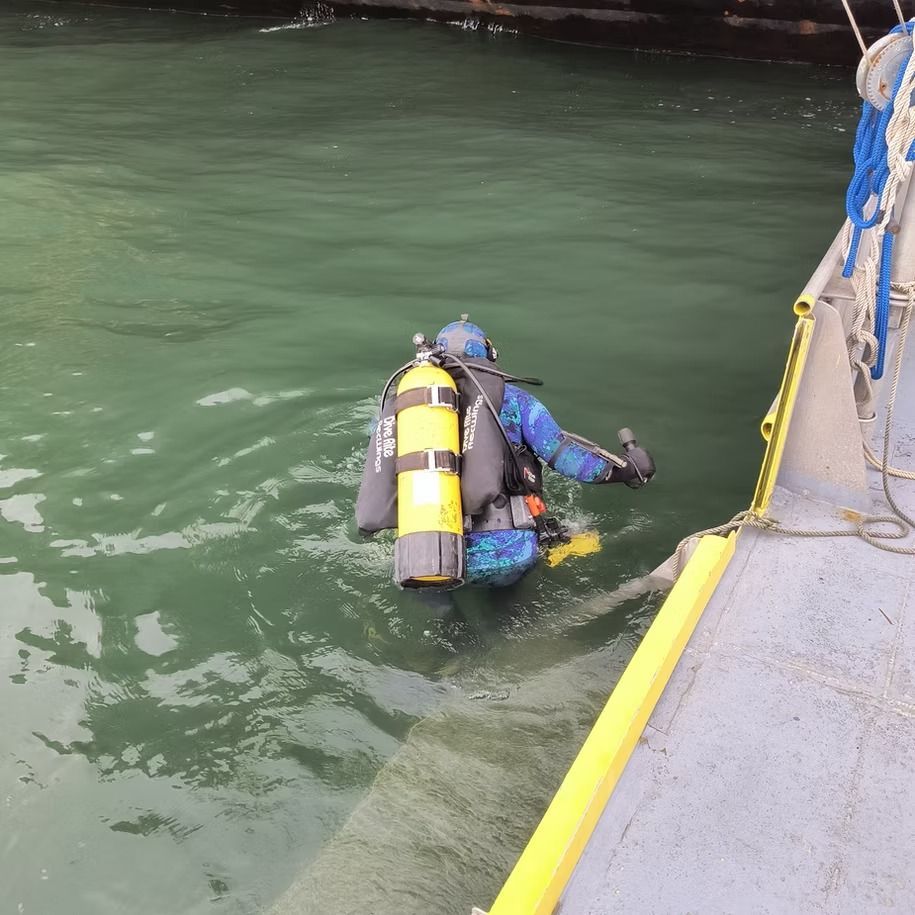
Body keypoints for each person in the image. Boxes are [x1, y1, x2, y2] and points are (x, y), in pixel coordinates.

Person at [356, 317, 656, 591]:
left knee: (442, 620)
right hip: (506, 553)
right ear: (489, 357)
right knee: (504, 623)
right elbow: (567, 459)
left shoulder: (405, 407)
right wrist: (629, 469)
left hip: (425, 553)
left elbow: (380, 464)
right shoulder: (514, 401)